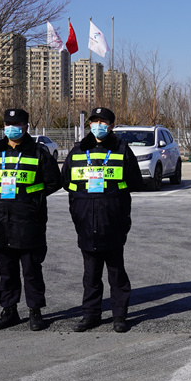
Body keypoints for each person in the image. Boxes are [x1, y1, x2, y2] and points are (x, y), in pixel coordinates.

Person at [61, 107, 146, 333]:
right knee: (91, 275)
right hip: (86, 223)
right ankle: (91, 316)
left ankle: (120, 317)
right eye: (94, 121)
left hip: (113, 222)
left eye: (103, 121)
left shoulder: (122, 150)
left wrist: (116, 205)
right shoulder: (77, 150)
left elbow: (135, 183)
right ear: (89, 124)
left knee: (117, 274)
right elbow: (68, 183)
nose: (98, 125)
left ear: (112, 125)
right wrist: (78, 213)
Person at [0, 108, 62, 331]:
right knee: (6, 271)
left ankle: (35, 312)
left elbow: (54, 182)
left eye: (16, 124)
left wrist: (31, 198)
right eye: (7, 123)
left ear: (26, 127)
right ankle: (9, 311)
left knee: (31, 270)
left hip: (28, 220)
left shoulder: (38, 152)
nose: (11, 128)